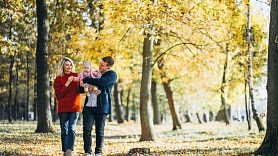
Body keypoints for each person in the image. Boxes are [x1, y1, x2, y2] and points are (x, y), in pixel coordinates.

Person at [82, 56, 117, 156]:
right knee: (87, 129)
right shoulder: (93, 74)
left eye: (102, 65)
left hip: (102, 106)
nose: (99, 66)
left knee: (99, 131)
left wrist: (87, 79)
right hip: (89, 105)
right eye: (99, 64)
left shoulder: (112, 74)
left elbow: (102, 82)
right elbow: (82, 84)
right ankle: (88, 152)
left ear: (108, 67)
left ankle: (98, 152)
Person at [53, 57, 82, 156]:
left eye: (70, 65)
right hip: (63, 107)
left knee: (72, 128)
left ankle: (69, 149)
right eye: (67, 65)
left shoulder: (76, 75)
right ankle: (65, 150)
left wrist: (83, 84)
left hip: (75, 107)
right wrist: (67, 83)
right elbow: (60, 95)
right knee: (64, 129)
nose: (69, 67)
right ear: (62, 66)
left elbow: (81, 90)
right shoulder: (58, 79)